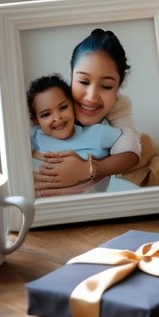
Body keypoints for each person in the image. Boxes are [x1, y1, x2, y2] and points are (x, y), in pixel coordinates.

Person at [32, 28, 143, 195]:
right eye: (83, 81)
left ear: (118, 89)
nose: (91, 97)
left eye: (106, 86)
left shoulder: (118, 106)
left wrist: (86, 169)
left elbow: (131, 145)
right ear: (70, 77)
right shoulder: (52, 98)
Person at [27, 73, 123, 194]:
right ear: (35, 120)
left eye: (63, 107)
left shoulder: (96, 133)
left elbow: (128, 143)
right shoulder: (36, 136)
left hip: (91, 196)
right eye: (46, 114)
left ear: (73, 105)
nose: (57, 118)